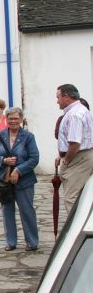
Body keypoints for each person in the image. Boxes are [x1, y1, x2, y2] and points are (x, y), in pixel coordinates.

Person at [0, 107, 40, 250]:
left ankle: (32, 242)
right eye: (10, 118)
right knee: (7, 210)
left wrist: (18, 170)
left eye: (16, 118)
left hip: (25, 180)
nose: (13, 121)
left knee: (27, 211)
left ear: (21, 119)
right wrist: (3, 160)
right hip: (5, 181)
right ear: (6, 119)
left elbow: (34, 158)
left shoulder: (28, 137)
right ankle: (11, 242)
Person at [55, 84, 93, 212]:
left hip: (77, 157)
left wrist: (66, 161)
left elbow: (75, 143)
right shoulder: (80, 110)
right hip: (82, 156)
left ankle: (76, 230)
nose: (57, 101)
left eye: (58, 97)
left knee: (71, 197)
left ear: (66, 96)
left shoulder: (74, 114)